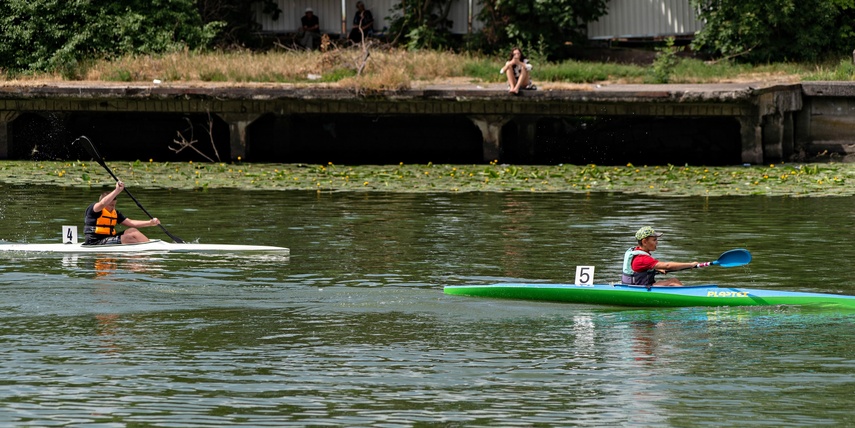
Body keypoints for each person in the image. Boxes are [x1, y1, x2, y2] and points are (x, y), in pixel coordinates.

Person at [83, 181, 161, 245]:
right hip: (94, 241)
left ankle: (149, 246)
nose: (113, 207)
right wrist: (117, 190)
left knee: (132, 231)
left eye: (114, 205)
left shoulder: (115, 213)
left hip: (109, 238)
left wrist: (150, 223)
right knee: (128, 238)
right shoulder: (94, 209)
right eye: (111, 205)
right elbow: (103, 203)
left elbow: (130, 223)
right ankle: (145, 250)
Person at [621, 226, 698, 286]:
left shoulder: (635, 251)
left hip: (636, 286)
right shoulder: (642, 258)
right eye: (654, 240)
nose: (657, 243)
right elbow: (667, 266)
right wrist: (690, 265)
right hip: (640, 289)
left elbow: (639, 268)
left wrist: (657, 269)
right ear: (644, 242)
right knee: (673, 282)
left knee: (673, 280)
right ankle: (690, 297)